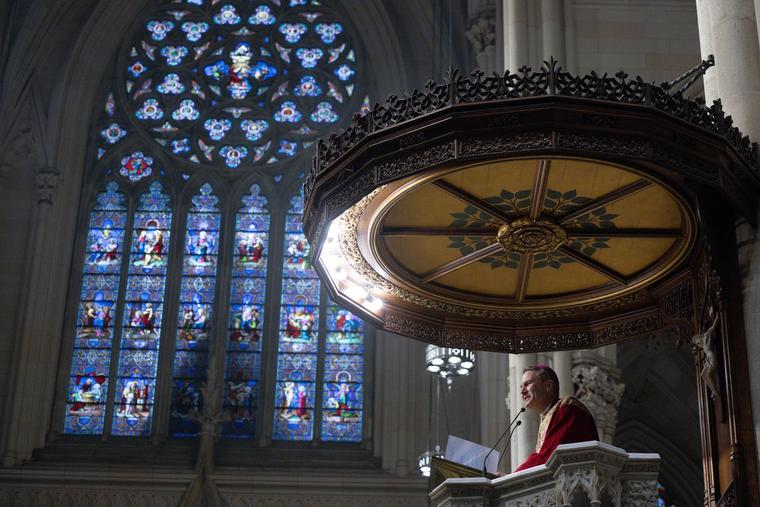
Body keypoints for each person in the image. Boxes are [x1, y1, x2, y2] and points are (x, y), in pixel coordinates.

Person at [514, 365, 599, 472]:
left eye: (527, 384)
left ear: (548, 385)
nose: (522, 391)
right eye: (521, 387)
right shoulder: (547, 415)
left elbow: (549, 455)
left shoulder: (567, 408)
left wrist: (511, 476)